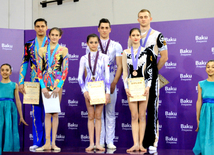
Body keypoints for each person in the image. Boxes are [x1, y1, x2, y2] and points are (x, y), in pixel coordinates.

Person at [129, 9, 168, 151]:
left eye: (146, 17)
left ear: (150, 18)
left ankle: (152, 142)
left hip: (151, 79)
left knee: (152, 108)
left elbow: (164, 56)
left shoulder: (158, 35)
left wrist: (154, 71)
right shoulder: (133, 35)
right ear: (138, 19)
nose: (143, 19)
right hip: (136, 80)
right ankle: (138, 142)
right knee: (137, 112)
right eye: (141, 17)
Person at [86, 18, 123, 149]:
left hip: (111, 78)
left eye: (107, 27)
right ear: (98, 29)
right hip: (95, 82)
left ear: (110, 29)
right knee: (98, 113)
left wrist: (114, 82)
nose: (104, 30)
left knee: (110, 112)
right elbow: (87, 66)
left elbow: (120, 65)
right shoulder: (92, 44)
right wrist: (88, 86)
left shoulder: (116, 45)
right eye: (102, 27)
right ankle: (99, 141)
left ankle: (110, 141)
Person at [18, 18, 49, 150]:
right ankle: (37, 142)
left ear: (46, 27)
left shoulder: (52, 42)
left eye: (42, 26)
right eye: (38, 26)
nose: (40, 28)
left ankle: (50, 142)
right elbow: (25, 63)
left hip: (50, 83)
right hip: (34, 83)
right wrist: (20, 81)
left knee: (50, 113)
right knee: (36, 114)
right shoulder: (29, 44)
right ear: (35, 28)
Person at [36, 27, 69, 151]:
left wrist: (59, 86)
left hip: (57, 85)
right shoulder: (42, 50)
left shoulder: (63, 50)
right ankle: (46, 143)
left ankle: (53, 143)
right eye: (52, 34)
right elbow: (39, 70)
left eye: (57, 35)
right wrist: (43, 87)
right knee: (47, 113)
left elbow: (65, 70)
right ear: (48, 35)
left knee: (55, 113)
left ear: (60, 37)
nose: (54, 37)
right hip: (45, 84)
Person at [123, 28, 154, 152]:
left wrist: (148, 86)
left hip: (143, 86)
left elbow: (150, 71)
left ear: (140, 37)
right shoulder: (125, 52)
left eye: (137, 35)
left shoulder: (147, 51)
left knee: (142, 115)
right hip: (131, 86)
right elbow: (125, 72)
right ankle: (135, 143)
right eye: (133, 35)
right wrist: (126, 87)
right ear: (130, 37)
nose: (135, 37)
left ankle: (141, 144)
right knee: (134, 115)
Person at [78, 34, 110, 151]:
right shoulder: (83, 58)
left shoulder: (105, 57)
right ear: (87, 44)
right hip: (89, 90)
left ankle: (98, 143)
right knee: (91, 116)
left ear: (98, 44)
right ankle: (91, 143)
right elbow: (79, 77)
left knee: (98, 116)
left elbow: (107, 76)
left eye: (96, 42)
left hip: (100, 89)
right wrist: (84, 90)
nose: (93, 45)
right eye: (91, 42)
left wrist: (107, 92)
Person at [0, 63, 28, 154]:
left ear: (10, 72)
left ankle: (8, 151)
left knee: (9, 130)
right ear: (0, 72)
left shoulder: (14, 85)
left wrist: (21, 117)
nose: (5, 72)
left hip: (10, 111)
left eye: (7, 70)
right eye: (3, 70)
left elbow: (18, 101)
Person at [193, 60, 214, 155]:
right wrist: (197, 118)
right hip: (205, 112)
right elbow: (199, 101)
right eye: (208, 67)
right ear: (205, 69)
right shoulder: (201, 83)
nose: (210, 69)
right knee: (205, 133)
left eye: (213, 67)